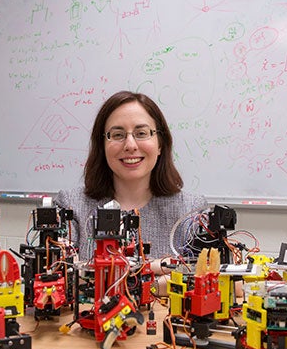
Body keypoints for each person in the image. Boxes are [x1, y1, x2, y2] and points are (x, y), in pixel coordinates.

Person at [55, 90, 208, 277]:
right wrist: (154, 269)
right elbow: (56, 278)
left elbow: (219, 281)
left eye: (141, 133)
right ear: (102, 146)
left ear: (160, 144)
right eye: (117, 135)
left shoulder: (191, 210)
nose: (130, 145)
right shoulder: (71, 206)